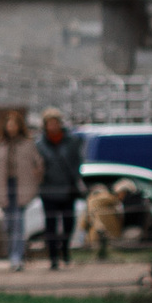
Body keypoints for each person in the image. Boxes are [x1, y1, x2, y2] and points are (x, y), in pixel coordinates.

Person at [0, 105, 42, 272]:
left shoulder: (27, 144)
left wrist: (34, 180)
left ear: (19, 126)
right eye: (9, 124)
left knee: (18, 222)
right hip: (4, 188)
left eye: (14, 124)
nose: (11, 127)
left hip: (21, 187)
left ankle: (16, 257)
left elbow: (38, 165)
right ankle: (12, 252)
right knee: (8, 224)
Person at [35, 110, 84, 272]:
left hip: (68, 188)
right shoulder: (39, 144)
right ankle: (53, 258)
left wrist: (76, 178)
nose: (53, 126)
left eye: (55, 122)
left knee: (69, 222)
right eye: (49, 123)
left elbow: (78, 162)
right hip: (48, 189)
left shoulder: (71, 141)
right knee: (51, 225)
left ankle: (65, 247)